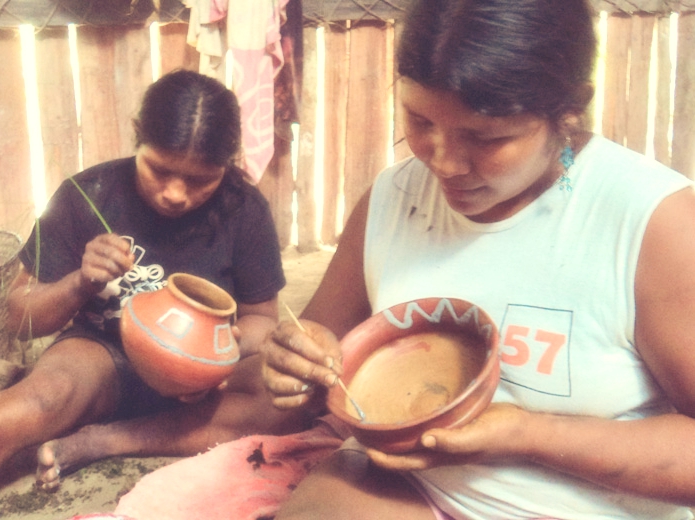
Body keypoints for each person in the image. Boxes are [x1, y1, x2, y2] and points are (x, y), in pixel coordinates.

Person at [260, 0, 695, 518]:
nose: (443, 162)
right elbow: (316, 356)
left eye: (486, 138)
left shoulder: (652, 222)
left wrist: (527, 433)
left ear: (572, 107)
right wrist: (297, 367)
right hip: (411, 490)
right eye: (419, 120)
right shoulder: (394, 198)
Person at [0, 69, 309, 520]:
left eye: (200, 180)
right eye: (159, 169)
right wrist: (80, 282)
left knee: (287, 396)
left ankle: (104, 440)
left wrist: (217, 358)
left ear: (227, 166)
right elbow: (19, 318)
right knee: (39, 397)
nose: (176, 194)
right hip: (103, 352)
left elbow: (260, 320)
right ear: (137, 139)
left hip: (203, 378)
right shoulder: (87, 194)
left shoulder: (243, 208)